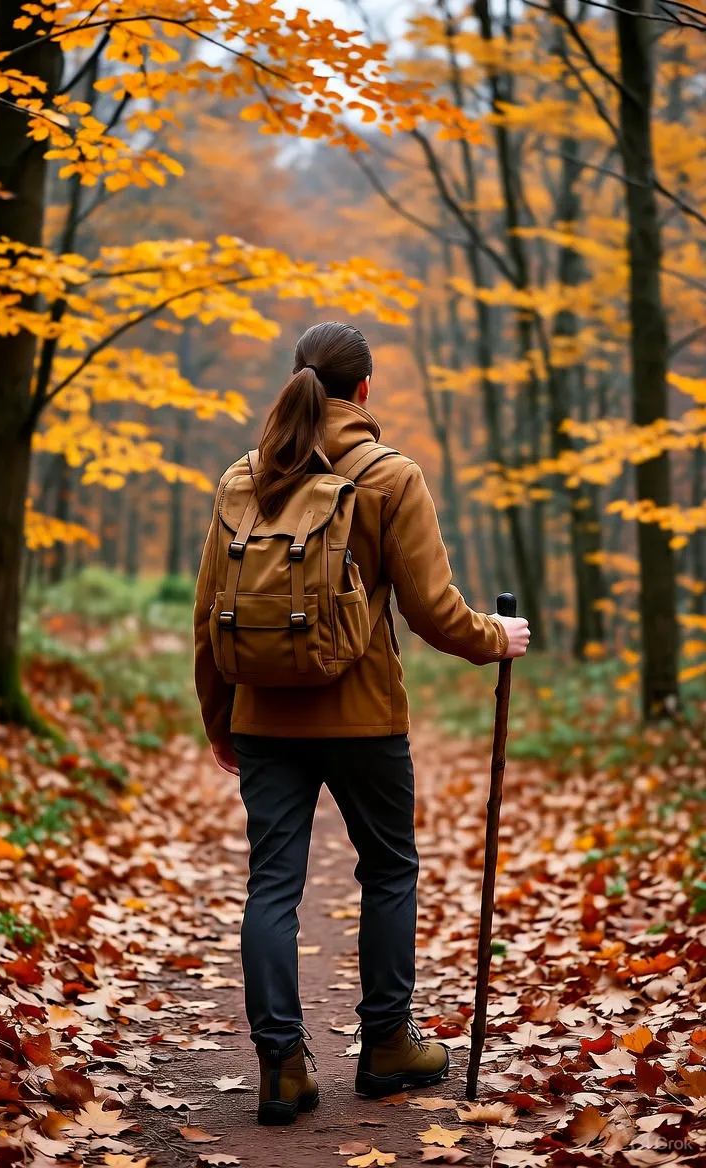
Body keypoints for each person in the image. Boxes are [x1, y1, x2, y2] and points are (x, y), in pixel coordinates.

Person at [194, 321, 530, 1126]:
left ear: (297, 381)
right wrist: (498, 639)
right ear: (364, 391)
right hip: (364, 720)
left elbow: (209, 614)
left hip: (265, 719)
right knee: (387, 870)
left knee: (272, 884)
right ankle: (385, 1046)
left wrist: (221, 720)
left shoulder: (244, 479)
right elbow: (434, 612)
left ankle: (281, 1065)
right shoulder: (390, 477)